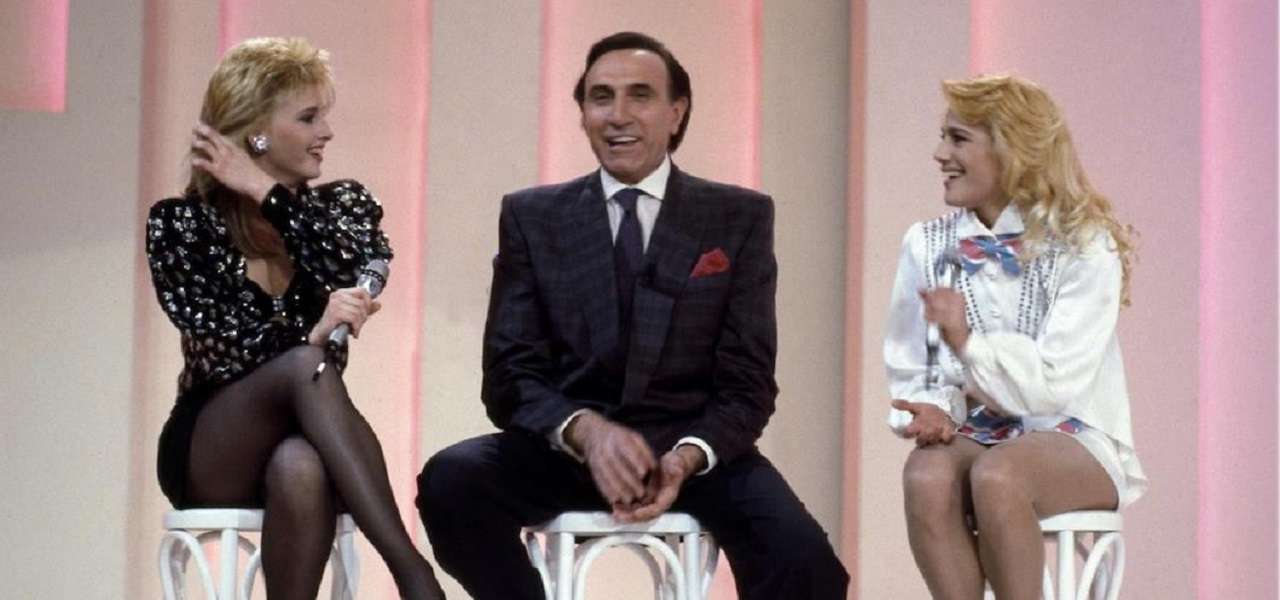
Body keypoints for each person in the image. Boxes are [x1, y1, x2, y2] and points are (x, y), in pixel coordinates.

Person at [416, 31, 848, 599]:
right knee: (451, 481)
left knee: (805, 562)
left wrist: (686, 458)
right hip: (566, 453)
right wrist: (587, 432)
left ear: (677, 112)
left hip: (692, 454)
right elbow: (509, 375)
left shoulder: (737, 217)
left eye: (640, 95)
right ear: (583, 114)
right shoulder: (532, 217)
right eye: (601, 97)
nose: (618, 115)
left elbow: (748, 384)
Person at [145, 37, 444, 599]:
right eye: (308, 118)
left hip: (306, 440)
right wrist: (309, 334)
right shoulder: (181, 224)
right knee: (305, 361)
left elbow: (354, 260)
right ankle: (413, 575)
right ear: (256, 131)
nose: (325, 132)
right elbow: (221, 346)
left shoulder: (339, 208)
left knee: (299, 462)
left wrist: (266, 190)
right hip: (213, 442)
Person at [884, 74, 1147, 599]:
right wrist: (935, 407)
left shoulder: (1084, 245)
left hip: (1073, 433)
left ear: (1012, 151)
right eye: (943, 136)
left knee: (999, 476)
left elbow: (1055, 384)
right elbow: (916, 365)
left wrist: (969, 343)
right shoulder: (928, 244)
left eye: (959, 139)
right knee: (926, 478)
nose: (940, 154)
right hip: (981, 431)